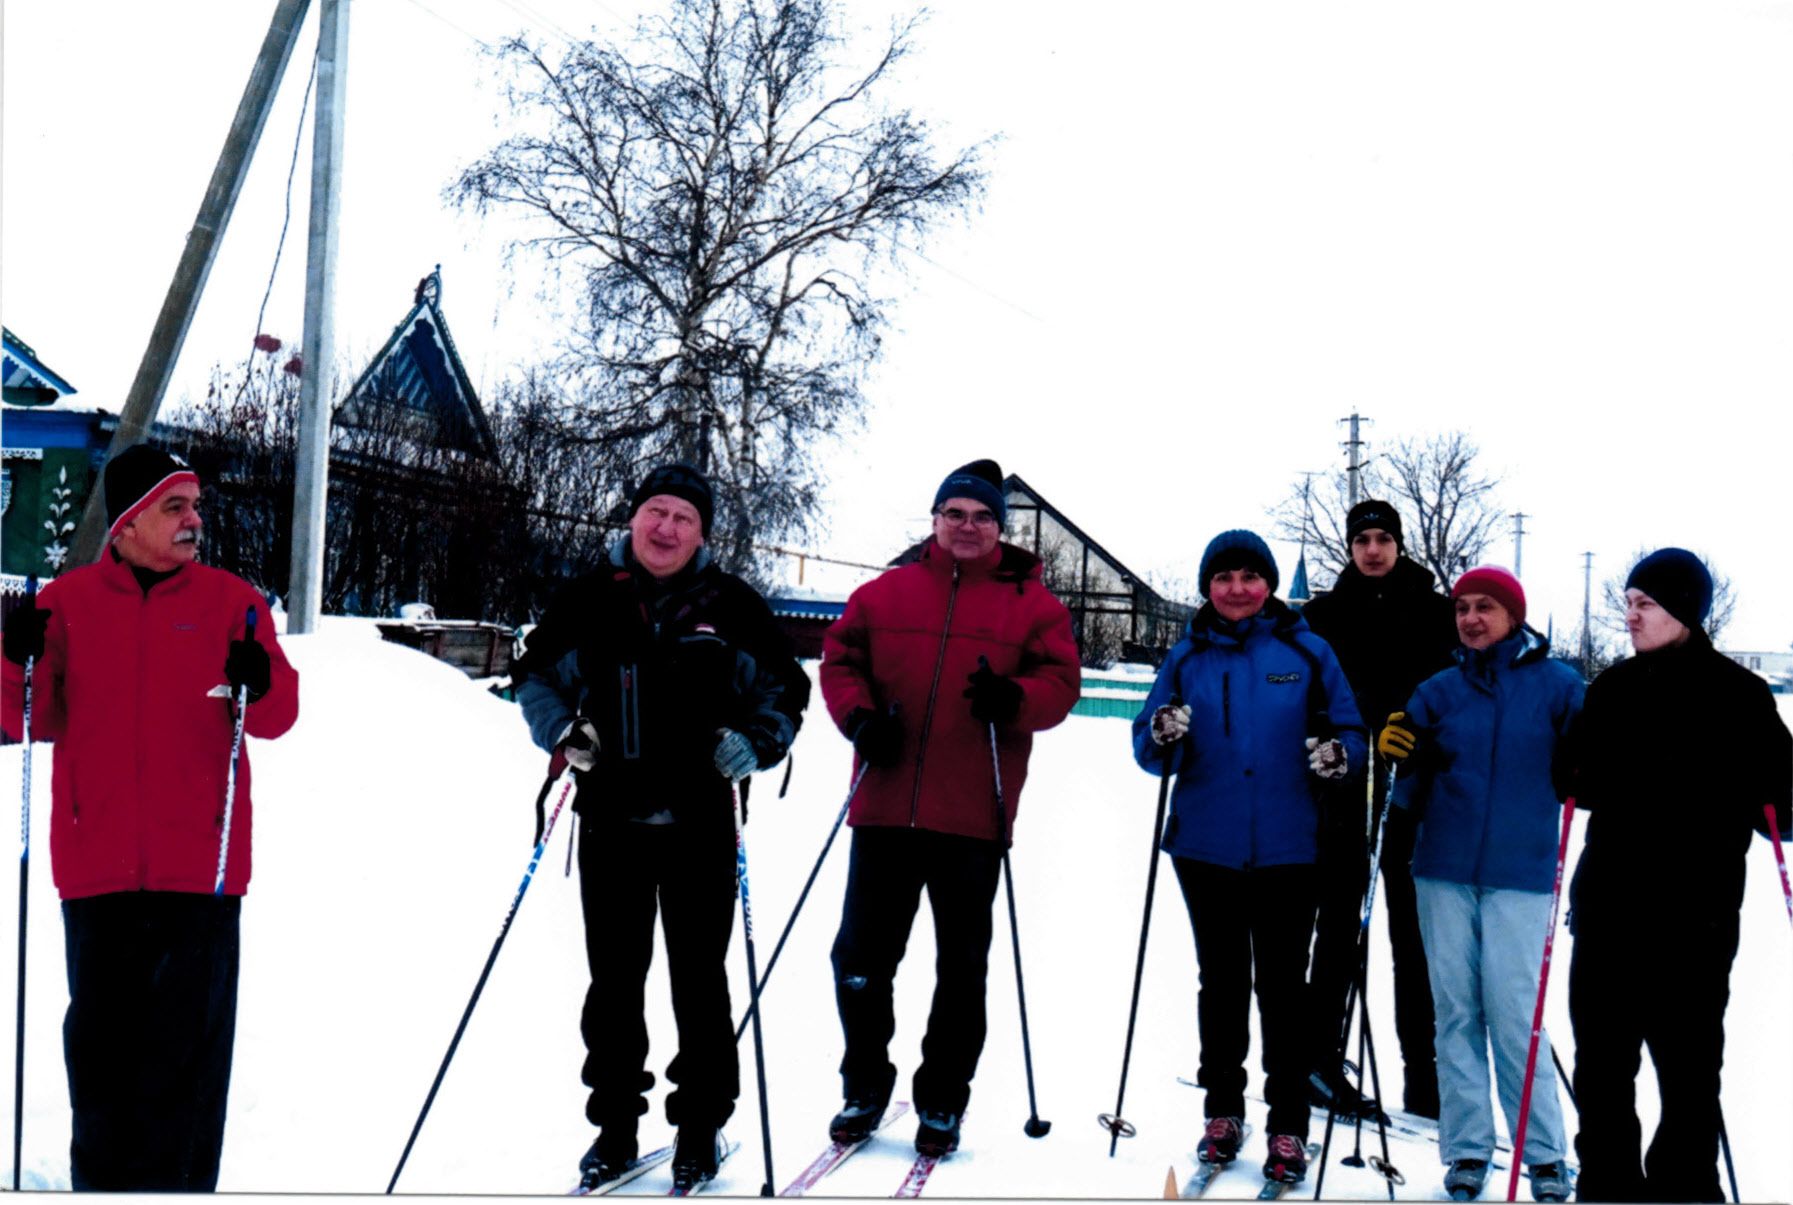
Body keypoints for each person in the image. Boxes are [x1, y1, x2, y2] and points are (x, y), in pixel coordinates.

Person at [0, 444, 299, 1192]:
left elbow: (278, 714)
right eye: (176, 506)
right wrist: (13, 660)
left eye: (196, 505)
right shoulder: (64, 602)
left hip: (201, 872)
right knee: (99, 1065)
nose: (194, 519)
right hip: (95, 870)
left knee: (187, 1075)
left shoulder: (233, 601)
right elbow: (27, 715)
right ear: (128, 522)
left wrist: (258, 682)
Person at [513, 463, 809, 1193]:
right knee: (614, 983)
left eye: (682, 516)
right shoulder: (588, 596)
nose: (666, 527)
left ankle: (699, 1128)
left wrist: (757, 741)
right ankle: (614, 1129)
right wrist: (563, 730)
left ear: (701, 530)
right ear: (634, 518)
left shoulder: (731, 603)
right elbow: (535, 675)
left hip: (700, 822)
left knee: (698, 983)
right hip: (610, 816)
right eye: (655, 512)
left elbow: (784, 690)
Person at [818, 459, 1079, 1159]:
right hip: (883, 804)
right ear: (934, 519)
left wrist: (1014, 700)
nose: (968, 526)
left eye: (982, 516)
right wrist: (859, 717)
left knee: (961, 966)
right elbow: (838, 660)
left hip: (972, 811)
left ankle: (941, 1095)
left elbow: (1060, 682)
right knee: (860, 958)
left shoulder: (1033, 604)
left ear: (1000, 526)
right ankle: (864, 1082)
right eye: (955, 513)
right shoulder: (885, 592)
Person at [1131, 528, 1367, 1186]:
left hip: (1291, 847)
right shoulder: (1186, 656)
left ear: (1266, 584)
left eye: (1249, 576)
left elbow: (1350, 728)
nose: (1236, 588)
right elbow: (1149, 746)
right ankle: (1222, 1109)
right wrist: (1161, 733)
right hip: (1205, 845)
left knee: (1283, 989)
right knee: (1222, 980)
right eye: (1223, 577)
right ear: (1207, 585)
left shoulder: (1306, 650)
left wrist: (1339, 755)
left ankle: (1288, 1120)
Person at [1555, 548, 1791, 1203]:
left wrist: (1771, 788)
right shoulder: (1610, 689)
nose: (1629, 615)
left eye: (1644, 604)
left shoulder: (1739, 695)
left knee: (1688, 1072)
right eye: (1627, 602)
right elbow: (1573, 781)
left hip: (1694, 918)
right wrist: (1572, 769)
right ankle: (1606, 1185)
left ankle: (1685, 1186)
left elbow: (1784, 807)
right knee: (1601, 1068)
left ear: (1682, 610)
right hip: (1606, 910)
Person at [1380, 566, 1581, 1202]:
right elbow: (1402, 788)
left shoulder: (1560, 687)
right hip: (1442, 869)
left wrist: (1582, 759)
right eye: (1462, 607)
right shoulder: (1437, 691)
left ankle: (1544, 1152)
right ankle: (1468, 1149)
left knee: (1516, 1013)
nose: (1470, 618)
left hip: (1520, 875)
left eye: (1485, 607)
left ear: (1514, 616)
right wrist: (1399, 757)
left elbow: (1593, 769)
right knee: (1456, 1012)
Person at [1298, 499, 1456, 1120]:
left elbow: (1455, 693)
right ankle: (1319, 1057)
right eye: (1362, 538)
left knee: (1414, 937)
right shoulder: (1322, 615)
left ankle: (1425, 1073)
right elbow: (1306, 700)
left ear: (1399, 543)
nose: (1372, 550)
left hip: (1416, 793)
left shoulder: (1435, 611)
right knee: (1339, 925)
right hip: (1343, 793)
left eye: (1383, 538)